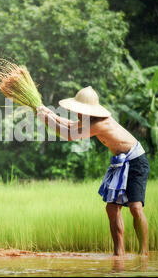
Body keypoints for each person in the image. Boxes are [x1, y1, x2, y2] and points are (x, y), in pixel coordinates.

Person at [36, 86, 150, 257]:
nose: (78, 114)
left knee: (135, 208)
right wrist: (48, 113)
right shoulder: (90, 121)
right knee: (112, 209)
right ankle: (119, 254)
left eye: (80, 111)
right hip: (120, 162)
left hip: (136, 161)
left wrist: (46, 120)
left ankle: (144, 252)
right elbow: (72, 125)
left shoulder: (100, 123)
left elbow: (70, 134)